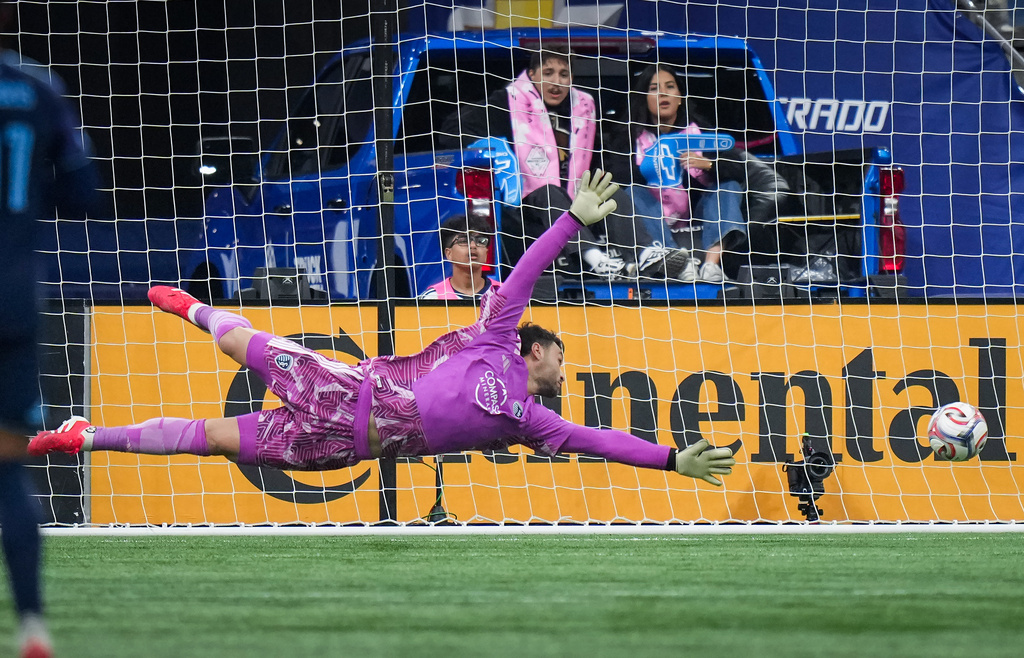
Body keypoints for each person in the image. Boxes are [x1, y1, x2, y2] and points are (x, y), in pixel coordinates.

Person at [29, 171, 735, 493]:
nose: (564, 367)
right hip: (340, 385)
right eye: (561, 354)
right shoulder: (495, 334)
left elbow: (600, 442)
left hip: (335, 445)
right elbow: (519, 276)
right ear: (536, 348)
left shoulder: (532, 422)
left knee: (211, 441)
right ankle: (190, 307)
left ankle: (85, 436)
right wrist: (571, 221)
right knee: (236, 340)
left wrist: (672, 460)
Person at [0, 2, 100, 655]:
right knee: (8, 474)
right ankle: (33, 624)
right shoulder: (35, 86)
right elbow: (85, 194)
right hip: (10, 297)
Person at [442, 47, 690, 281]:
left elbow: (599, 155)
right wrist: (493, 148)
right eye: (548, 73)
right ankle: (595, 259)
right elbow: (451, 130)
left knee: (607, 187)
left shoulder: (582, 107)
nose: (556, 82)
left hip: (572, 199)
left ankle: (643, 254)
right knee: (551, 193)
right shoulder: (507, 102)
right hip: (525, 205)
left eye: (564, 74)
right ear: (532, 75)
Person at [607, 64, 787, 284]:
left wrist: (708, 164)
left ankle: (711, 265)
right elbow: (617, 179)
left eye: (670, 87)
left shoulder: (699, 131)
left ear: (680, 96)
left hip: (698, 216)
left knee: (727, 186)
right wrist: (654, 164)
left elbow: (737, 169)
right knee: (632, 193)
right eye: (654, 88)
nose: (663, 93)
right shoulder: (629, 138)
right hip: (653, 215)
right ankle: (675, 261)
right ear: (644, 98)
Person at [420, 215, 503, 300]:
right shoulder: (432, 297)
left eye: (480, 241)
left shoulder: (503, 293)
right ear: (449, 253)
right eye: (464, 241)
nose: (473, 246)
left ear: (486, 252)